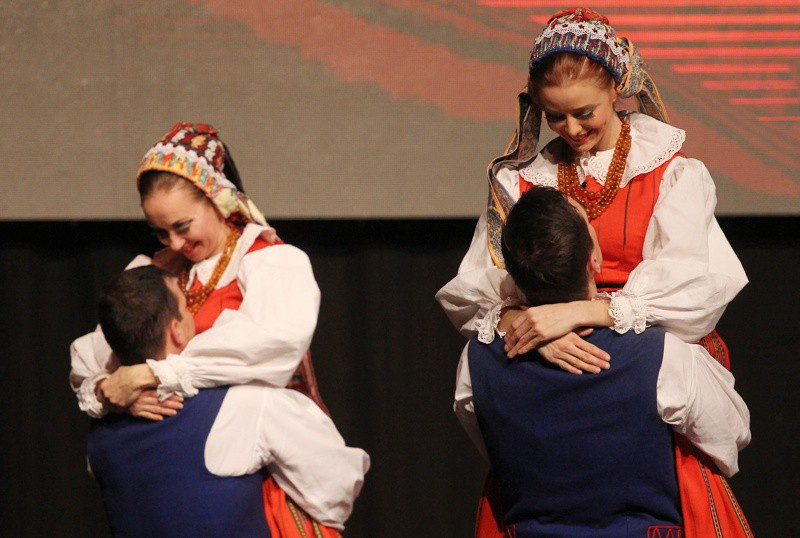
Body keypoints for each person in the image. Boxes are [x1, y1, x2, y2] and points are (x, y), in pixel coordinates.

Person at [434, 8, 750, 536]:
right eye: (554, 116)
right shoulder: (520, 185)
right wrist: (527, 328)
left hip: (644, 365)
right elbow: (476, 289)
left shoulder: (670, 172)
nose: (570, 129)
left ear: (617, 92)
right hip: (549, 375)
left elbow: (693, 291)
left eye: (585, 113)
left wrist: (579, 314)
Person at [70, 122, 346, 535]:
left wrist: (154, 373)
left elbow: (273, 345)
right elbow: (96, 362)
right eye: (160, 231)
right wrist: (114, 393)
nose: (175, 243)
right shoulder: (152, 273)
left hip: (269, 471)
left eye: (183, 226)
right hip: (170, 472)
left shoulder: (267, 261)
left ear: (219, 200)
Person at [454, 186, 750, 536]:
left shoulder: (476, 363)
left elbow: (494, 451)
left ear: (513, 280)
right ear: (594, 260)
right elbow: (732, 434)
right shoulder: (660, 356)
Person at [88, 265, 369, 536]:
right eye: (187, 309)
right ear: (176, 330)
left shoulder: (98, 440)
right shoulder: (242, 406)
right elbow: (336, 487)